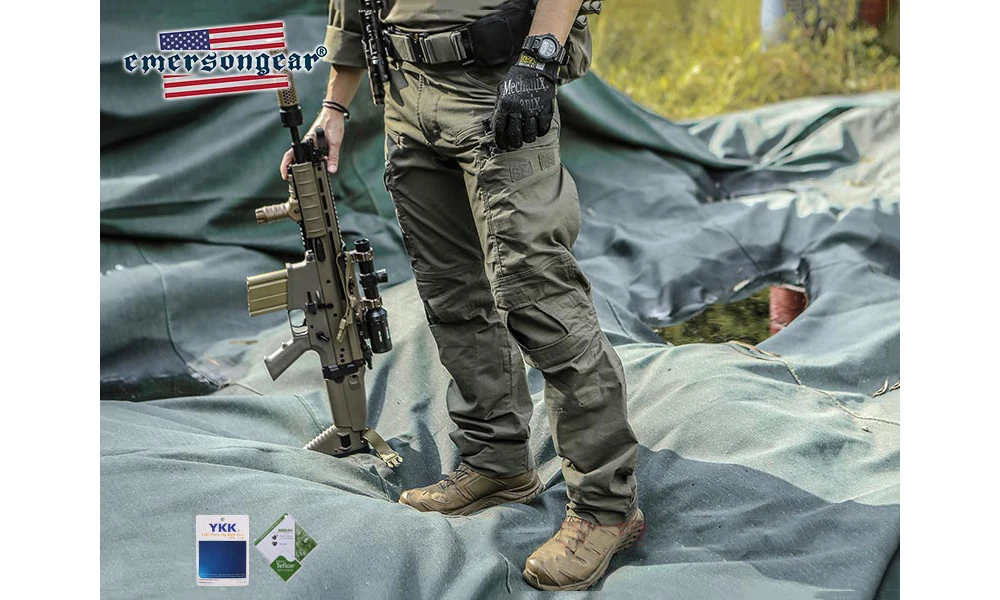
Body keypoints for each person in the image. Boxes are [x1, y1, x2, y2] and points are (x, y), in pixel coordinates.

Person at [280, 0, 642, 591]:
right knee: (452, 295)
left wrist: (540, 56)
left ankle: (606, 507)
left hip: (495, 84)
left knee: (539, 298)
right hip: (406, 93)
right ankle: (496, 462)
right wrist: (334, 106)